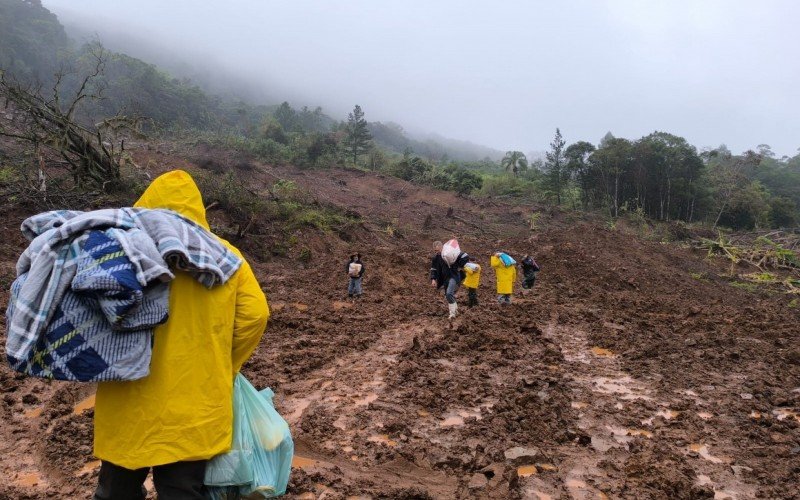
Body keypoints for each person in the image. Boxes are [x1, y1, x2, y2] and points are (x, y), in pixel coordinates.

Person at [92, 170, 270, 500]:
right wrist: (223, 367)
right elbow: (256, 316)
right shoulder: (225, 255)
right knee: (182, 491)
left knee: (115, 490)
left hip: (127, 400)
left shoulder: (120, 247)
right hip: (195, 404)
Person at [430, 240, 469, 319]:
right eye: (435, 251)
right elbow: (433, 269)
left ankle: (452, 314)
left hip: (454, 276)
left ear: (442, 247)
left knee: (448, 294)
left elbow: (465, 256)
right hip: (445, 279)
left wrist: (461, 266)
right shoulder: (436, 258)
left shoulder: (450, 253)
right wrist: (433, 279)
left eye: (438, 250)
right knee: (448, 296)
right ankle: (456, 310)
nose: (437, 252)